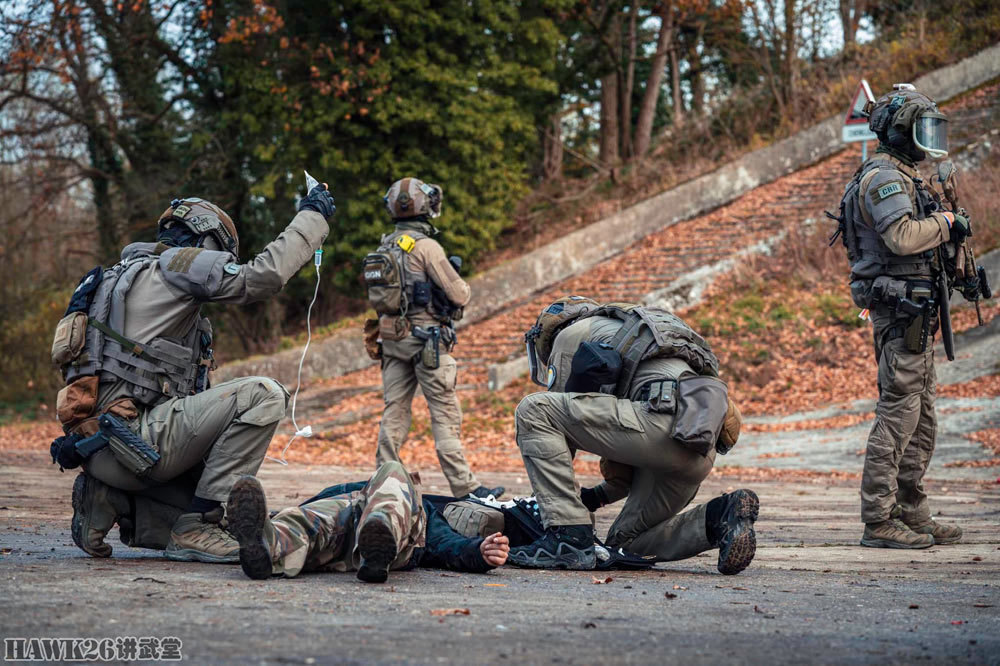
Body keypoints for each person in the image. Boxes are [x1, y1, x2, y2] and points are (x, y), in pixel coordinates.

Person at [50, 185, 337, 563]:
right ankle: (197, 526)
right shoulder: (179, 263)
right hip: (138, 446)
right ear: (205, 238)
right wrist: (312, 216)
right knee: (264, 395)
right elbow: (263, 277)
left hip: (100, 449)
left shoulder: (108, 282)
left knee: (225, 497)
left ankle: (107, 498)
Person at [506, 297, 756, 574]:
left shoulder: (571, 334)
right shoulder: (634, 333)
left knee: (534, 410)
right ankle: (719, 516)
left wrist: (548, 510)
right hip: (698, 447)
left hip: (657, 424)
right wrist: (595, 497)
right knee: (624, 545)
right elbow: (623, 452)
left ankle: (567, 540)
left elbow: (555, 424)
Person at [834, 84, 979, 548]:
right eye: (922, 129)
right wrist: (948, 224)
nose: (928, 140)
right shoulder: (883, 179)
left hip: (918, 311)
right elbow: (900, 236)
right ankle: (878, 520)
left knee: (921, 418)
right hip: (900, 313)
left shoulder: (905, 175)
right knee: (898, 415)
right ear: (900, 131)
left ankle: (911, 512)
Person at [364, 177, 502, 500]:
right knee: (444, 412)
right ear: (423, 206)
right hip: (427, 344)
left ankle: (384, 479)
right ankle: (466, 488)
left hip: (392, 341)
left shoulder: (385, 246)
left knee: (394, 410)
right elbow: (460, 293)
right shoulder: (426, 247)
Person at [226, 462, 510, 582]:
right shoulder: (359, 492)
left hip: (391, 539)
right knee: (308, 520)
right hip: (346, 525)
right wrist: (281, 516)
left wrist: (477, 551)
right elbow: (315, 505)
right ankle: (267, 545)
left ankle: (379, 540)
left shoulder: (424, 510)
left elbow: (449, 546)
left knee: (393, 468)